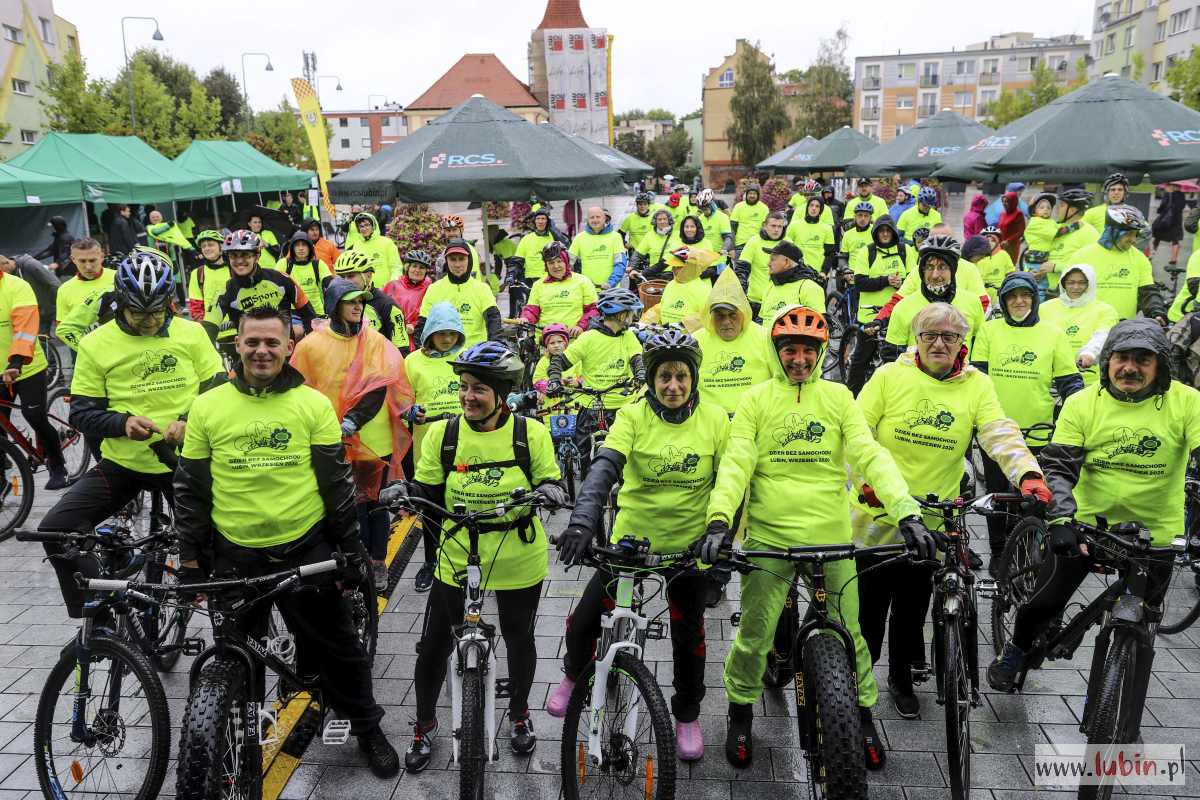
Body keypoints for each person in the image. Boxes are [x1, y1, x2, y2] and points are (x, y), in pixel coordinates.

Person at [699, 305, 931, 769]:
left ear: (821, 352)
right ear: (777, 351)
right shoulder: (756, 400)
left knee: (852, 634)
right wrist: (720, 519)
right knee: (755, 634)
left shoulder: (840, 397)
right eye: (790, 350)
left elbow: (869, 453)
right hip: (770, 537)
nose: (799, 359)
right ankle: (740, 711)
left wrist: (907, 512)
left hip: (832, 536)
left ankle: (863, 716)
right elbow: (737, 463)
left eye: (808, 350)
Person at [174, 305, 400, 778]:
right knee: (238, 655)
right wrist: (191, 560)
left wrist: (352, 552)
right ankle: (237, 731)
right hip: (234, 555)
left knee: (339, 648)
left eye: (271, 342)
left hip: (303, 548)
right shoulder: (207, 406)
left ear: (287, 347)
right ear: (236, 345)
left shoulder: (312, 405)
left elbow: (336, 485)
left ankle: (366, 726)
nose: (261, 351)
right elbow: (191, 490)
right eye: (252, 342)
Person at [987, 320, 1200, 744]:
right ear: (1107, 364)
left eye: (1143, 359)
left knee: (1145, 628)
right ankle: (1015, 652)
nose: (1131, 368)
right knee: (1043, 600)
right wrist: (1062, 520)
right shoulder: (1083, 403)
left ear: (1161, 366)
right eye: (1122, 358)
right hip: (1088, 525)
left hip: (1155, 533)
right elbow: (1060, 468)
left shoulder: (1188, 402)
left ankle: (1124, 710)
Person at [854, 301, 1045, 718]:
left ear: (963, 342)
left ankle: (901, 678)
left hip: (933, 515)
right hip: (877, 513)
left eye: (950, 336)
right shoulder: (888, 377)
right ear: (916, 339)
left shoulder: (977, 385)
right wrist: (864, 483)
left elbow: (998, 431)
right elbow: (857, 432)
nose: (939, 343)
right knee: (868, 610)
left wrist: (1027, 472)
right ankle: (858, 683)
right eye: (930, 335)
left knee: (911, 608)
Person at [384, 342, 566, 771]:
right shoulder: (447, 435)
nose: (467, 396)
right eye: (463, 387)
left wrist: (553, 490)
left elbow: (549, 478)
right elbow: (428, 487)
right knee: (433, 645)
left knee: (519, 639)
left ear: (501, 394)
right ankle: (424, 725)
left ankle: (520, 715)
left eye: (478, 389)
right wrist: (405, 492)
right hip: (457, 553)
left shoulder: (530, 434)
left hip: (517, 554)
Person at [551, 329, 728, 761]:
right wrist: (582, 523)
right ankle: (575, 674)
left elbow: (730, 483)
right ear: (651, 380)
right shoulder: (632, 416)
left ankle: (686, 716)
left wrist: (720, 540)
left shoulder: (716, 419)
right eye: (664, 376)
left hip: (687, 549)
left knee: (690, 640)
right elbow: (604, 469)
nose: (673, 386)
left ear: (694, 378)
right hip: (632, 544)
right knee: (585, 621)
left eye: (681, 376)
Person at [39, 250, 225, 615]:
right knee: (55, 529)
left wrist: (189, 419)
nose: (150, 321)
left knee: (218, 560)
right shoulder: (97, 344)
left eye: (158, 311)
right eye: (139, 312)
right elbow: (82, 413)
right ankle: (101, 612)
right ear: (122, 303)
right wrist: (122, 423)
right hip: (125, 464)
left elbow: (219, 388)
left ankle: (225, 645)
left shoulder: (192, 333)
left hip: (183, 462)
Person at [292, 279, 414, 588]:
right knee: (347, 507)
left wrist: (353, 421)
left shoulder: (373, 340)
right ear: (334, 306)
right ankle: (352, 561)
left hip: (373, 439)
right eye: (351, 301)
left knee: (376, 505)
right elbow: (297, 391)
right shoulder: (311, 345)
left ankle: (378, 562)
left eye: (361, 300)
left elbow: (380, 386)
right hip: (330, 440)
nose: (358, 305)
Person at [971, 272, 1083, 562]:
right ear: (1004, 301)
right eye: (1012, 297)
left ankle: (1024, 551)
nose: (1019, 301)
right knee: (996, 496)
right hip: (994, 431)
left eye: (1025, 296)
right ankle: (998, 552)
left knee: (1033, 497)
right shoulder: (989, 330)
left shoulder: (1053, 334)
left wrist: (1079, 417)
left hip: (1038, 432)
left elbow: (1071, 383)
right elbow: (977, 378)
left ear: (1034, 300)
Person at [547, 288, 645, 477]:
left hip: (622, 405)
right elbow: (560, 361)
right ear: (620, 314)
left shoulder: (628, 337)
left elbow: (637, 359)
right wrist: (553, 380)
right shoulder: (589, 338)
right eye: (631, 312)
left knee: (630, 455)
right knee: (585, 455)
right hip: (591, 405)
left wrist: (641, 374)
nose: (633, 317)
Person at [403, 302, 466, 593]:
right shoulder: (412, 362)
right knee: (431, 510)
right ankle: (431, 562)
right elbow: (401, 399)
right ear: (430, 332)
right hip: (427, 447)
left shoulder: (466, 358)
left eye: (453, 333)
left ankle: (469, 561)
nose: (448, 339)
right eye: (442, 333)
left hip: (465, 444)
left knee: (466, 505)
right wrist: (409, 411)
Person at [0, 250, 66, 488]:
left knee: (34, 415)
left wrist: (16, 362)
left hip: (26, 366)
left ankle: (58, 466)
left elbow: (25, 328)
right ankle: (2, 481)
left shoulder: (16, 287)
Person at [881, 235, 984, 360]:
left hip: (960, 379)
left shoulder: (972, 302)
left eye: (942, 267)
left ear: (953, 270)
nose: (935, 275)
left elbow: (981, 353)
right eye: (929, 267)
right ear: (921, 271)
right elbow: (892, 360)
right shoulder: (903, 307)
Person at [213, 230, 315, 351]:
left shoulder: (281, 279)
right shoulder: (226, 290)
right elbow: (209, 324)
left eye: (245, 255)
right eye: (234, 255)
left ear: (257, 256)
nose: (239, 261)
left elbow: (309, 315)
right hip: (250, 360)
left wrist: (312, 346)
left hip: (285, 356)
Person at [844, 216, 912, 395]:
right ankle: (852, 398)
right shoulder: (867, 252)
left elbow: (914, 280)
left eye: (888, 231)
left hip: (897, 315)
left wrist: (902, 282)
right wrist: (886, 280)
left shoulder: (906, 251)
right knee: (860, 360)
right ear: (876, 233)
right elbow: (860, 283)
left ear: (894, 232)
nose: (884, 234)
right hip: (870, 317)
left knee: (899, 360)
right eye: (881, 231)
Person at [693, 268, 772, 416]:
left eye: (732, 315)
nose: (726, 322)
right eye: (719, 316)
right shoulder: (696, 341)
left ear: (743, 313)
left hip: (755, 417)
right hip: (710, 420)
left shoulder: (764, 337)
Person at [1070, 205, 1165, 322]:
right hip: (1088, 325)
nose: (1133, 239)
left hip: (1123, 330)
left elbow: (1148, 292)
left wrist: (1156, 312)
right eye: (1129, 234)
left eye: (1135, 234)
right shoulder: (1082, 256)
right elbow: (1069, 295)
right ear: (1113, 231)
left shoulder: (1139, 258)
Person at [1040, 263, 1119, 386]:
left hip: (1087, 379)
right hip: (1049, 378)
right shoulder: (1044, 308)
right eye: (1071, 282)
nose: (1076, 287)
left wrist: (1089, 353)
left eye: (1082, 283)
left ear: (1090, 284)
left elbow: (1103, 335)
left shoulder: (1105, 310)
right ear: (1063, 284)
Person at [415, 239, 499, 347]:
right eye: (453, 259)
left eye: (462, 259)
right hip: (444, 355)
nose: (457, 264)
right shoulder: (434, 289)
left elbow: (494, 321)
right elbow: (423, 323)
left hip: (475, 355)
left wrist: (495, 346)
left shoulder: (482, 289)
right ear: (446, 261)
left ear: (469, 260)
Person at [329, 251, 410, 353]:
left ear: (368, 275)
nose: (345, 281)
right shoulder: (336, 301)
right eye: (341, 277)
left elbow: (402, 350)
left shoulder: (387, 306)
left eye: (350, 276)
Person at [519, 241, 599, 335]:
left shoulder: (583, 281)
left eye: (559, 261)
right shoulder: (538, 285)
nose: (556, 266)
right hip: (546, 341)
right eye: (551, 263)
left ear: (566, 262)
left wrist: (581, 326)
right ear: (546, 266)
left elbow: (593, 310)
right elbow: (532, 310)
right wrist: (525, 318)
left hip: (574, 340)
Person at [1035, 188, 1098, 294]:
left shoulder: (1089, 233)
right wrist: (1039, 271)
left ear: (1072, 210)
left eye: (1062, 205)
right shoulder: (1057, 229)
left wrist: (1056, 267)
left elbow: (1092, 265)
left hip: (1074, 293)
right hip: (1050, 291)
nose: (1058, 209)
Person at [735, 211, 789, 318]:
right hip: (756, 302)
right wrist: (741, 293)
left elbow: (798, 271)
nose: (776, 230)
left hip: (781, 302)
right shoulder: (754, 242)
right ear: (764, 226)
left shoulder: (788, 243)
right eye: (773, 226)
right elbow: (741, 270)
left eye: (780, 226)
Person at [757, 240, 826, 322]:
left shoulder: (809, 288)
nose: (768, 263)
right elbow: (760, 320)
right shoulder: (770, 286)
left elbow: (820, 326)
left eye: (773, 259)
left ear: (786, 262)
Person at [55, 239, 114, 334]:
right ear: (73, 259)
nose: (88, 267)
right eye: (82, 261)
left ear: (102, 257)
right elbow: (63, 328)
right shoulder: (64, 289)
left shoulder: (118, 277)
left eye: (92, 260)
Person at [568, 206, 627, 289]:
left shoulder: (615, 237)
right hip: (588, 290)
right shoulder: (579, 238)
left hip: (611, 290)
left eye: (598, 217)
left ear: (604, 218)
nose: (595, 220)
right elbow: (568, 262)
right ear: (587, 220)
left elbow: (620, 264)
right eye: (592, 217)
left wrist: (610, 283)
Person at [1, 254, 60, 336]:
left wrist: (60, 305)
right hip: (37, 313)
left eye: (2, 271)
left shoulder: (29, 264)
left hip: (54, 307)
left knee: (67, 332)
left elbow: (53, 283)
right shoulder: (8, 277)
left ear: (6, 263)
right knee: (40, 339)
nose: (3, 275)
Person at [281, 231, 334, 317]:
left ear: (310, 248)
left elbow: (330, 285)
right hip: (293, 314)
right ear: (292, 248)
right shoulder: (284, 264)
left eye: (304, 245)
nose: (301, 248)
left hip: (317, 313)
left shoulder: (318, 264)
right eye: (297, 245)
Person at [382, 249, 432, 337]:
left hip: (416, 337)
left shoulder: (430, 289)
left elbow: (430, 314)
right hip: (390, 334)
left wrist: (413, 325)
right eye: (414, 266)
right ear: (407, 268)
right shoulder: (392, 285)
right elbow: (380, 307)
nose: (417, 270)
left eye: (422, 267)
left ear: (426, 272)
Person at [186, 230, 230, 328]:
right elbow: (196, 307)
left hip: (238, 329)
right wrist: (205, 329)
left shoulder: (234, 269)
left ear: (221, 246)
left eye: (210, 245)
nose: (207, 248)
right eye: (203, 246)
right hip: (214, 332)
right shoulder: (197, 273)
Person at [785, 195, 836, 277]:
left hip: (818, 273)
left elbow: (830, 254)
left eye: (817, 206)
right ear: (807, 207)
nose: (814, 208)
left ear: (821, 210)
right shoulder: (794, 226)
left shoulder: (827, 228)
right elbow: (786, 248)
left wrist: (824, 272)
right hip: (797, 272)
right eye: (811, 205)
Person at [344, 211, 401, 283]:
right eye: (361, 226)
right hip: (364, 290)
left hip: (385, 289)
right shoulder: (356, 245)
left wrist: (393, 284)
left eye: (367, 225)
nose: (364, 228)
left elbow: (396, 267)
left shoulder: (387, 242)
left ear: (373, 226)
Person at [511, 208, 558, 294]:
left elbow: (565, 250)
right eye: (538, 219)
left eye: (543, 219)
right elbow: (518, 259)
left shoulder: (553, 236)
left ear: (548, 221)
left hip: (550, 277)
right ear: (534, 221)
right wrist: (511, 274)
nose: (540, 221)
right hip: (531, 279)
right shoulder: (527, 238)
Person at [972, 226, 1014, 306]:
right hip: (981, 293)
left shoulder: (1003, 255)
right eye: (987, 240)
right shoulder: (977, 256)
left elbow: (1010, 274)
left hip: (999, 293)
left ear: (998, 241)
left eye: (993, 240)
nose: (990, 242)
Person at [632, 209, 676, 280]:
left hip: (672, 274)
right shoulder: (649, 235)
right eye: (659, 219)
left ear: (669, 220)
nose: (662, 221)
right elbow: (638, 254)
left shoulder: (677, 235)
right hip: (653, 274)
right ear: (655, 222)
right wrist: (632, 267)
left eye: (664, 219)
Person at [1153, 182, 1188, 266]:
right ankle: (1174, 259)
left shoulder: (1167, 194)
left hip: (1165, 220)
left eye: (1167, 185)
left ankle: (1152, 254)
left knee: (1157, 236)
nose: (1165, 187)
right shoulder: (1181, 195)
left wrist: (1160, 210)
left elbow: (1162, 207)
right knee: (1175, 240)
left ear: (1171, 186)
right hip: (1176, 220)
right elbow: (1182, 206)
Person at [729, 183, 769, 252]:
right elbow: (732, 229)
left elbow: (766, 229)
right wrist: (732, 248)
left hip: (758, 245)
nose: (752, 196)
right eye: (750, 193)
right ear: (746, 194)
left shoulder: (764, 208)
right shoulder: (738, 207)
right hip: (740, 245)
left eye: (754, 194)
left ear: (758, 195)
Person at [696, 188, 734, 258]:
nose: (704, 210)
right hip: (704, 258)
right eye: (702, 208)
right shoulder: (699, 219)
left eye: (706, 207)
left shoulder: (722, 217)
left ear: (711, 204)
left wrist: (724, 249)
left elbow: (728, 237)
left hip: (719, 257)